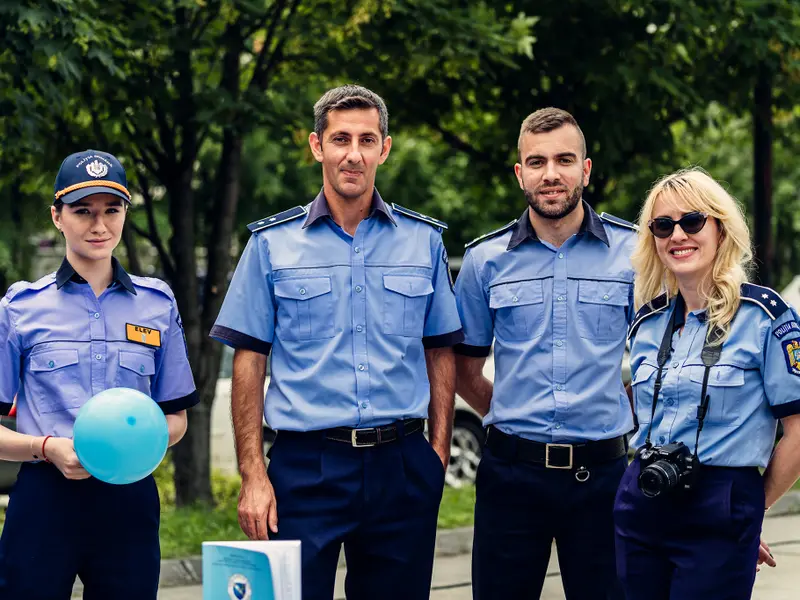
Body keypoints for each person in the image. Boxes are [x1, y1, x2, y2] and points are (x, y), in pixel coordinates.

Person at [210, 84, 463, 600]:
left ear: (384, 149)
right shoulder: (270, 245)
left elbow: (440, 351)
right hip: (304, 471)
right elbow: (249, 361)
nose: (354, 153)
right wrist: (254, 474)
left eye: (367, 140)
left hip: (402, 468)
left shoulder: (424, 241)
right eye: (341, 138)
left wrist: (435, 454)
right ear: (316, 146)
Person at [0, 149, 199, 600]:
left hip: (127, 501)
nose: (99, 225)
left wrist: (129, 447)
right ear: (57, 216)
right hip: (44, 497)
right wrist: (45, 448)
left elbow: (176, 420)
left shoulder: (158, 304)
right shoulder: (20, 308)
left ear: (125, 213)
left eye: (112, 210)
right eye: (83, 211)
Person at [454, 107, 634, 600]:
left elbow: (661, 361)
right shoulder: (484, 261)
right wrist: (514, 416)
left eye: (564, 159)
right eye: (536, 162)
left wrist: (619, 407)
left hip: (604, 477)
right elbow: (463, 370)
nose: (551, 174)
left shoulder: (634, 253)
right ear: (520, 174)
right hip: (511, 479)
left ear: (586, 169)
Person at [616, 167, 800, 599]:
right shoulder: (647, 322)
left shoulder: (765, 317)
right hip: (644, 496)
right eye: (663, 225)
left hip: (722, 501)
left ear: (721, 228)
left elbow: (798, 431)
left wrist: (751, 511)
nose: (677, 234)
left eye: (693, 221)